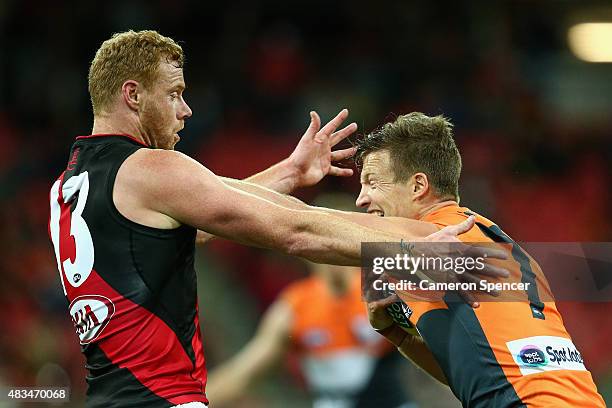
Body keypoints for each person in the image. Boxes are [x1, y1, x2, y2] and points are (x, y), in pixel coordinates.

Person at [47, 31, 503, 408]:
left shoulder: (67, 186)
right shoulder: (151, 168)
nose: (186, 109)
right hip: (164, 399)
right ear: (132, 94)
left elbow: (196, 222)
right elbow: (295, 231)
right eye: (175, 94)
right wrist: (406, 249)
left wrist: (290, 172)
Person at [351, 113, 606, 407]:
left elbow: (305, 233)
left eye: (372, 183)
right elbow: (470, 372)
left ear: (418, 186)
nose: (361, 199)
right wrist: (397, 334)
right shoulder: (507, 248)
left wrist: (284, 192)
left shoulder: (432, 241)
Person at [206, 195, 416, 408]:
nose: (335, 248)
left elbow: (438, 338)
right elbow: (244, 373)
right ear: (309, 245)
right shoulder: (296, 306)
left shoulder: (383, 288)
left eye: (344, 238)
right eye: (328, 237)